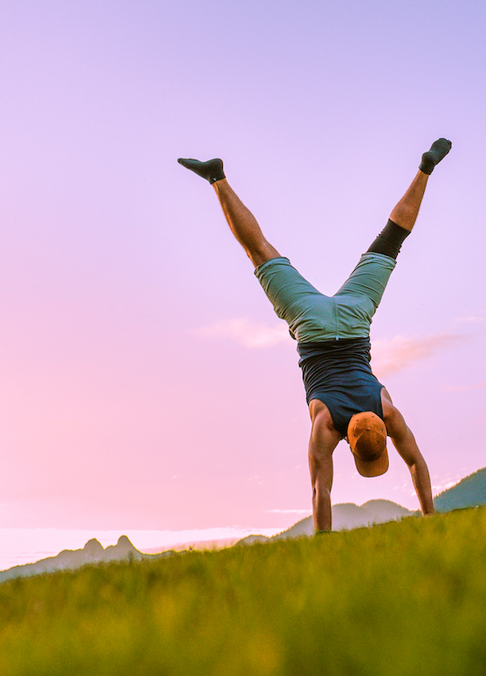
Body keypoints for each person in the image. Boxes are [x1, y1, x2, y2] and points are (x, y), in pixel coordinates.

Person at [178, 140, 452, 532]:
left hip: (354, 319)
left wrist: (430, 520)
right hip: (312, 324)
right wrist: (325, 545)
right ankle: (217, 177)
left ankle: (424, 169)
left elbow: (414, 461)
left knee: (391, 242)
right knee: (259, 251)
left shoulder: (385, 408)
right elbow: (321, 491)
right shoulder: (325, 423)